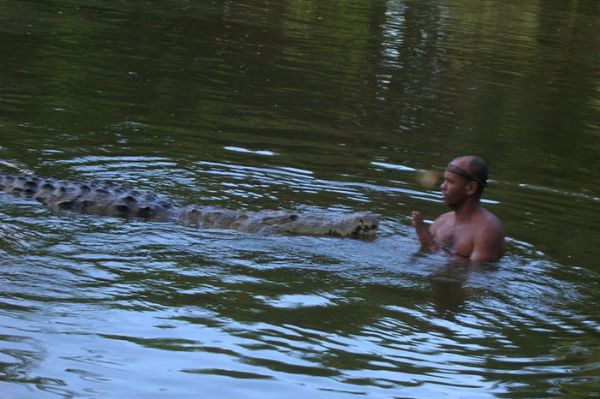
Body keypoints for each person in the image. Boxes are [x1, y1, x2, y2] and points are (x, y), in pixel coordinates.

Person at [412, 155, 504, 263]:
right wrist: (424, 241)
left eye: (450, 182)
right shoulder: (441, 221)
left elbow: (478, 273)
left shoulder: (488, 230)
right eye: (444, 180)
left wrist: (431, 245)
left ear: (470, 188)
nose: (442, 186)